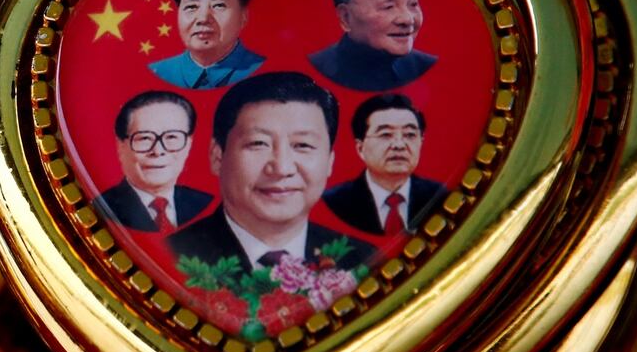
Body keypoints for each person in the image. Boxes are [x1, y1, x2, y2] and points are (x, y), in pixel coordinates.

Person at [168, 72, 375, 273]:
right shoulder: (175, 258)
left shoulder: (362, 261)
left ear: (330, 161)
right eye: (259, 143)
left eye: (303, 145)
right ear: (217, 156)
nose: (281, 168)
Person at [323, 94, 447, 235]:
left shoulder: (439, 196)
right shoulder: (334, 203)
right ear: (360, 148)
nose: (399, 145)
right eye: (385, 135)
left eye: (409, 134)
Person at [308, 0, 437, 91]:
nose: (407, 19)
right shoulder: (317, 69)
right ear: (346, 17)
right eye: (389, 7)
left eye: (413, 4)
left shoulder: (425, 66)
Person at [94, 91, 212, 233]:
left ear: (188, 144)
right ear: (121, 145)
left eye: (172, 137)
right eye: (144, 138)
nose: (158, 151)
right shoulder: (100, 210)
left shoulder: (206, 205)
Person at [149, 0, 265, 89]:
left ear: (243, 16)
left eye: (219, 5)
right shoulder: (158, 72)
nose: (203, 18)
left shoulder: (262, 73)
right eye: (192, 7)